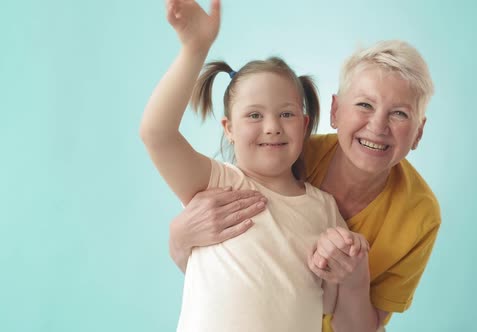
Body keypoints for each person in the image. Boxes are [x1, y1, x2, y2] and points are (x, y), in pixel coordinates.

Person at [168, 18, 440, 332]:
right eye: (365, 105)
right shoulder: (282, 154)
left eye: (400, 113)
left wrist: (354, 281)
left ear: (418, 133)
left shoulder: (419, 215)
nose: (378, 126)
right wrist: (180, 239)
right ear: (335, 111)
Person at [140, 0, 368, 331]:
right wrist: (195, 48)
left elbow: (329, 304)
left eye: (286, 113)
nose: (272, 126)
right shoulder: (216, 182)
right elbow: (155, 134)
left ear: (304, 125)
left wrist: (350, 264)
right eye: (254, 115)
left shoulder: (325, 209)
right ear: (229, 129)